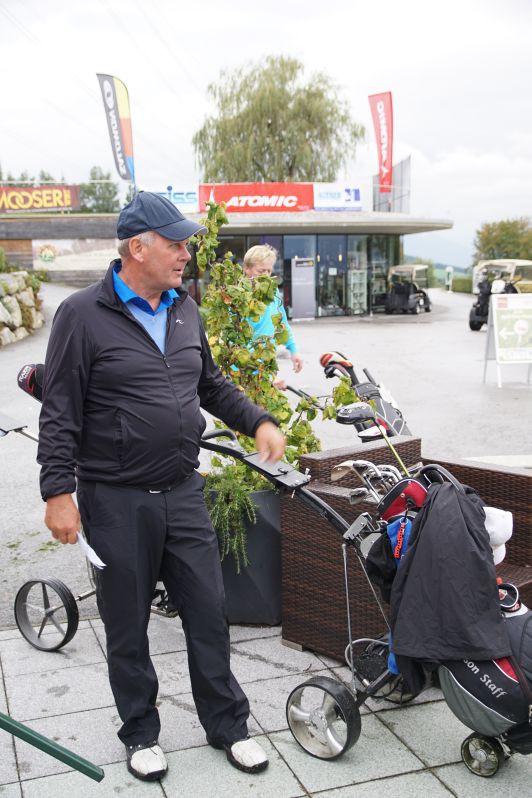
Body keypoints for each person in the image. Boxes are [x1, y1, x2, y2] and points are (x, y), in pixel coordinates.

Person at [37, 192, 285, 783]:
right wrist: (57, 492)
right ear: (137, 248)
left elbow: (211, 385)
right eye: (175, 244)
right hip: (115, 500)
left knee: (209, 613)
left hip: (182, 490)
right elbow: (59, 409)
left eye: (185, 244)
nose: (185, 254)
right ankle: (140, 732)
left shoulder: (184, 309)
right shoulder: (81, 314)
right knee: (127, 623)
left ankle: (228, 726)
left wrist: (257, 420)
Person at [243, 244, 303, 389]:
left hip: (266, 365)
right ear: (247, 268)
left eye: (269, 271)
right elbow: (236, 344)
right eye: (260, 271)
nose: (265, 275)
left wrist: (293, 350)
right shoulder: (237, 297)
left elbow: (282, 323)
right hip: (244, 371)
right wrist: (262, 375)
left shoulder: (273, 292)